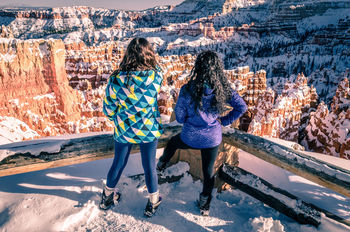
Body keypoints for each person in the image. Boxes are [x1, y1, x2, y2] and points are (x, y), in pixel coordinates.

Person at [157, 51, 247, 216]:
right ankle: (205, 205)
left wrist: (191, 118)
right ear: (218, 69)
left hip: (189, 137)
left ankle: (161, 165)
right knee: (208, 172)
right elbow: (242, 107)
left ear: (197, 67)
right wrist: (225, 121)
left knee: (172, 143)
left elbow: (181, 116)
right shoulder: (223, 89)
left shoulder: (187, 89)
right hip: (212, 140)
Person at [101, 37, 163, 217]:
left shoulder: (116, 80)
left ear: (128, 55)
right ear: (148, 54)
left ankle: (107, 197)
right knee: (149, 166)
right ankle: (153, 201)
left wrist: (118, 118)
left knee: (118, 163)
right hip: (149, 129)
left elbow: (108, 108)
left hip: (124, 129)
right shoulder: (156, 76)